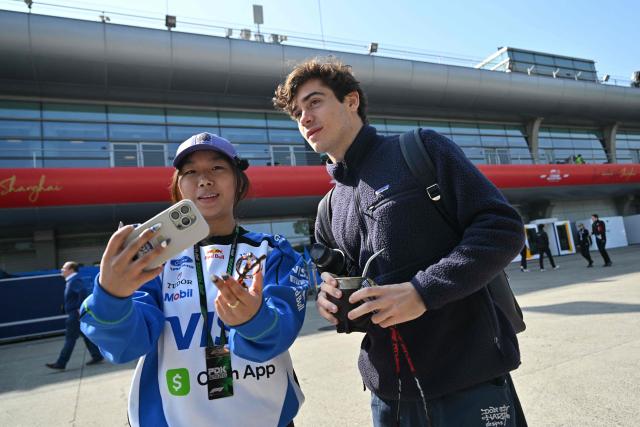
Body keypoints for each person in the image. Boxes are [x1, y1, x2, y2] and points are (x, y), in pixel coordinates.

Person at [273, 59, 527, 426]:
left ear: (351, 101)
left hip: (468, 380)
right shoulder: (328, 209)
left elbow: (502, 227)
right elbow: (364, 302)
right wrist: (338, 306)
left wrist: (423, 291)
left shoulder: (420, 150)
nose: (305, 118)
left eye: (314, 102)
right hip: (389, 398)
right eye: (297, 112)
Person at [80, 133, 308, 427]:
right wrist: (111, 296)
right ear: (178, 188)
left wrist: (256, 320)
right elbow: (127, 346)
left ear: (239, 182)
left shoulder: (273, 251)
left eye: (217, 168)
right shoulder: (154, 261)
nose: (204, 180)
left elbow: (282, 330)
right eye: (190, 172)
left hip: (266, 418)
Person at [46, 261, 103, 370]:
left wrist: (78, 308)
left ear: (71, 270)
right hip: (74, 314)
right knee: (86, 336)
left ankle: (61, 363)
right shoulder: (71, 281)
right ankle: (97, 355)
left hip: (74, 315)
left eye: (64, 268)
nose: (62, 270)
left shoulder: (74, 281)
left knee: (70, 339)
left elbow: (82, 291)